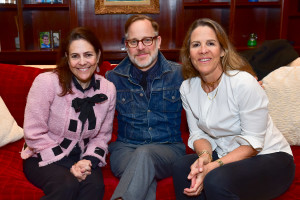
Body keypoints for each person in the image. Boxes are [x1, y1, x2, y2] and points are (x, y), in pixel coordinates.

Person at [172, 18, 295, 200]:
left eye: (211, 43)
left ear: (222, 50)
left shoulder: (242, 83)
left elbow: (252, 144)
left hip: (271, 157)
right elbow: (198, 135)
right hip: (227, 154)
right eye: (196, 44)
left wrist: (212, 166)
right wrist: (205, 157)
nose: (203, 50)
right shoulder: (188, 88)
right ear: (189, 53)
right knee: (182, 167)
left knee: (215, 179)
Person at [21, 27, 116, 200]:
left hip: (82, 158)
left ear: (98, 56)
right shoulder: (47, 83)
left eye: (88, 54)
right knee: (67, 185)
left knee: (95, 187)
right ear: (67, 58)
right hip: (42, 156)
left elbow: (102, 136)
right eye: (75, 56)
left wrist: (87, 161)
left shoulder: (108, 89)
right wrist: (70, 165)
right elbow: (33, 133)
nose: (82, 62)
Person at [105, 14, 186, 200]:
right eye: (134, 42)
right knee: (143, 172)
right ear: (127, 45)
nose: (140, 47)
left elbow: (212, 81)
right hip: (125, 149)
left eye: (147, 40)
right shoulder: (112, 78)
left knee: (145, 155)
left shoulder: (181, 74)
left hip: (169, 149)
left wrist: (240, 79)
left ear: (158, 41)